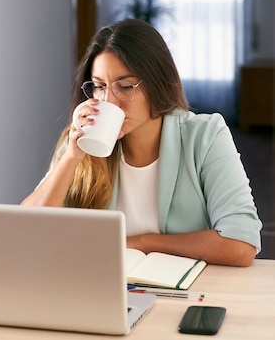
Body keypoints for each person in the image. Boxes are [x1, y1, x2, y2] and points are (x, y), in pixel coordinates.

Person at [21, 19, 262, 267]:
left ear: (157, 84)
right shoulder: (81, 141)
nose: (109, 101)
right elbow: (26, 231)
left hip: (186, 290)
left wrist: (143, 244)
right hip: (103, 290)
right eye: (99, 86)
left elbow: (241, 244)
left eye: (125, 87)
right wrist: (72, 156)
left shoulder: (204, 136)